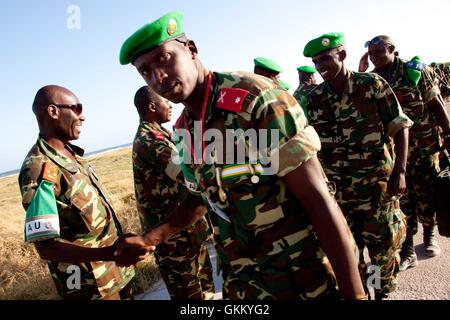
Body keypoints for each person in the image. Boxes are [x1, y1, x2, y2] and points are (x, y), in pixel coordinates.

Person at [116, 11, 366, 300]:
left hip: (303, 279)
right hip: (244, 285)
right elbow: (200, 196)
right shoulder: (185, 128)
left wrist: (354, 294)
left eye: (164, 58)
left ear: (191, 49)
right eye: (145, 71)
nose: (158, 76)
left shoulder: (255, 97)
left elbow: (318, 199)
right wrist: (150, 238)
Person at [302, 32, 414, 299]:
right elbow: (306, 146)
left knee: (382, 254)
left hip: (377, 190)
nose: (321, 67)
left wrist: (400, 171)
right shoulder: (314, 98)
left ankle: (380, 294)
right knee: (349, 254)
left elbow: (400, 126)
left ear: (341, 55)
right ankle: (362, 292)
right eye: (316, 62)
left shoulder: (371, 85)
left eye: (326, 59)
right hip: (338, 196)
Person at [19, 85, 144, 300]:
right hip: (90, 287)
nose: (82, 116)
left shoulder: (72, 155)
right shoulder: (38, 167)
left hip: (117, 273)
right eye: (76, 108)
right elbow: (46, 247)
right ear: (53, 111)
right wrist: (106, 254)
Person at [359, 35, 450, 271]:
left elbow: (436, 102)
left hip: (424, 145)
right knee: (402, 199)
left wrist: (449, 134)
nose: (374, 58)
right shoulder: (373, 78)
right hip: (395, 150)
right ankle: (408, 250)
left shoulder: (413, 71)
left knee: (428, 194)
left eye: (379, 53)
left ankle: (430, 236)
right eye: (371, 54)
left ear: (392, 50)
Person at [132, 86, 215, 300]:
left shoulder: (161, 134)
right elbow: (188, 172)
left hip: (188, 233)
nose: (170, 105)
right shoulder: (149, 141)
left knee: (206, 293)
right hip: (175, 242)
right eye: (165, 101)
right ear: (152, 106)